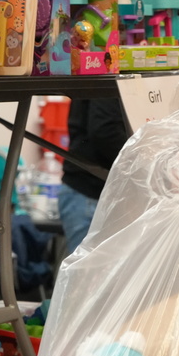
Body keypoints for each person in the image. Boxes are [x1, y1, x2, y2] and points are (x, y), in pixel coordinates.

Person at [56, 98, 129, 255]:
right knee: (86, 275)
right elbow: (105, 131)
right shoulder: (109, 78)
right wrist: (146, 162)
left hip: (93, 192)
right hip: (91, 192)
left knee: (94, 274)